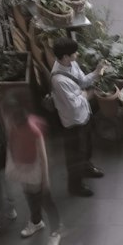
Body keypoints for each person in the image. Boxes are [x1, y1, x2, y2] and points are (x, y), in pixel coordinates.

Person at [48, 38, 104, 198]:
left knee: (86, 147)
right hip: (73, 122)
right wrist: (87, 94)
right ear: (65, 56)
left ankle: (87, 168)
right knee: (75, 156)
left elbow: (82, 80)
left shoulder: (71, 64)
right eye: (74, 53)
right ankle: (75, 186)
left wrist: (96, 72)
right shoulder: (58, 80)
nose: (77, 54)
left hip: (84, 115)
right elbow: (73, 103)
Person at [7, 95, 60, 245]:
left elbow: (43, 157)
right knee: (30, 197)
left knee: (46, 200)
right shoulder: (14, 125)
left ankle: (55, 232)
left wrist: (46, 180)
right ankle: (36, 222)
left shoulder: (33, 130)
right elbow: (12, 145)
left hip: (35, 166)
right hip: (24, 168)